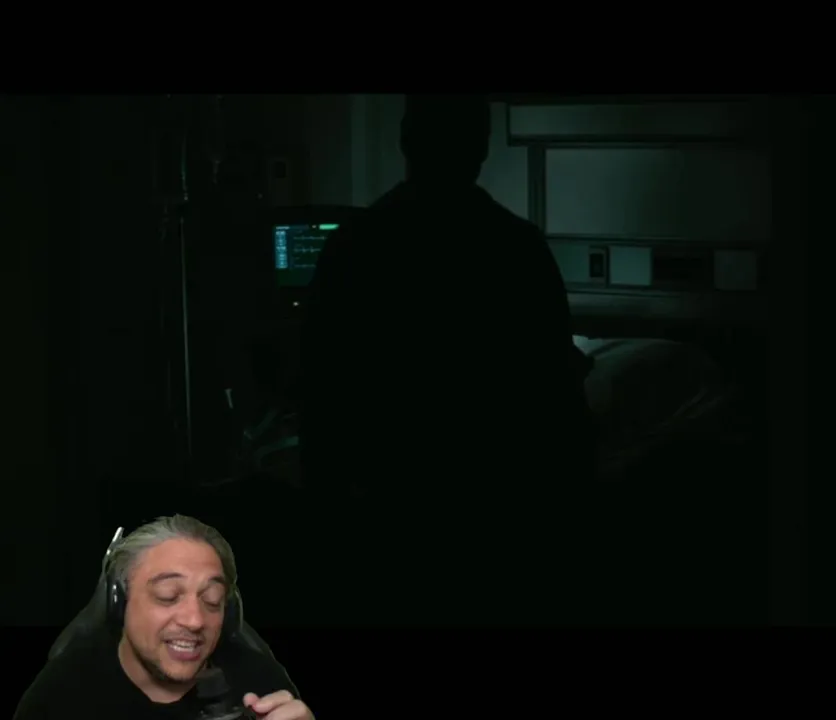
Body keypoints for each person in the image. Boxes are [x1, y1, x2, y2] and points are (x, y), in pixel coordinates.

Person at [297, 94, 602, 624]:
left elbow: (318, 389)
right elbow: (559, 399)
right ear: (481, 147)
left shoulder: (355, 247)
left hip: (382, 515)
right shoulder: (516, 250)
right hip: (495, 520)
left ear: (405, 140)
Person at [13, 515, 311, 720]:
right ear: (119, 602)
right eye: (168, 595)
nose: (195, 620)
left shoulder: (259, 681)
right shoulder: (62, 692)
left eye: (212, 600)